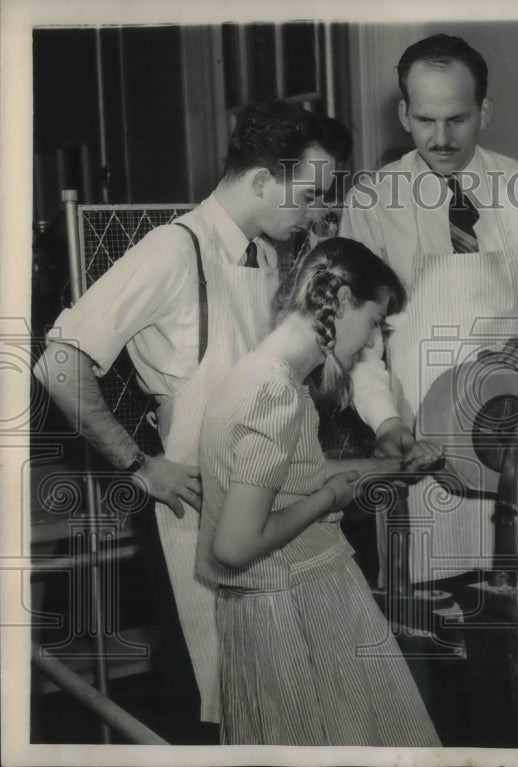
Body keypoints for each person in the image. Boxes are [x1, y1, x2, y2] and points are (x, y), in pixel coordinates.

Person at [32, 101, 352, 727]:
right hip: (194, 512)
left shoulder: (260, 255)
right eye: (308, 195)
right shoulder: (172, 251)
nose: (314, 213)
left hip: (258, 500)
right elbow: (59, 364)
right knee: (220, 699)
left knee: (273, 696)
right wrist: (138, 464)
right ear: (262, 180)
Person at [340, 33, 518, 585]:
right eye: (425, 119)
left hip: (514, 430)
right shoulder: (371, 202)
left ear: (485, 109)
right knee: (428, 602)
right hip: (416, 439)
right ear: (403, 113)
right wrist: (384, 420)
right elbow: (361, 341)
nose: (441, 138)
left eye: (457, 118)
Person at [195, 238, 441, 746]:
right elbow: (235, 545)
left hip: (276, 605)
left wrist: (389, 467)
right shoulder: (275, 394)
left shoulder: (258, 373)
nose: (373, 343)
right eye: (375, 321)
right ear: (344, 298)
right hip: (294, 609)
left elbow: (291, 475)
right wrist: (329, 498)